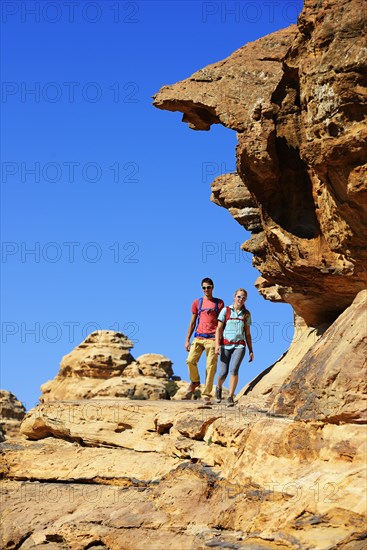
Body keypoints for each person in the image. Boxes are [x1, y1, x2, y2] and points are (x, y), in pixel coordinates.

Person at [185, 278, 224, 401]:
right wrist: (187, 339)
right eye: (204, 287)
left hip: (213, 339)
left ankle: (206, 394)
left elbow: (221, 324)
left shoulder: (219, 303)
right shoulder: (198, 302)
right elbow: (192, 322)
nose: (206, 289)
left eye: (208, 287)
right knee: (190, 360)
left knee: (210, 367)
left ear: (213, 287)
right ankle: (195, 381)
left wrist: (220, 342)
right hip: (198, 337)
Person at [215, 288, 254, 407]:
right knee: (223, 373)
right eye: (239, 297)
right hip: (225, 344)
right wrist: (217, 345)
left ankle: (230, 396)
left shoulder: (246, 314)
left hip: (240, 345)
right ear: (234, 297)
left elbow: (247, 333)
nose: (240, 299)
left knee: (234, 369)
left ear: (245, 299)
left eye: (243, 298)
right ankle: (219, 387)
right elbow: (219, 329)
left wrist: (251, 350)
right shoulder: (225, 311)